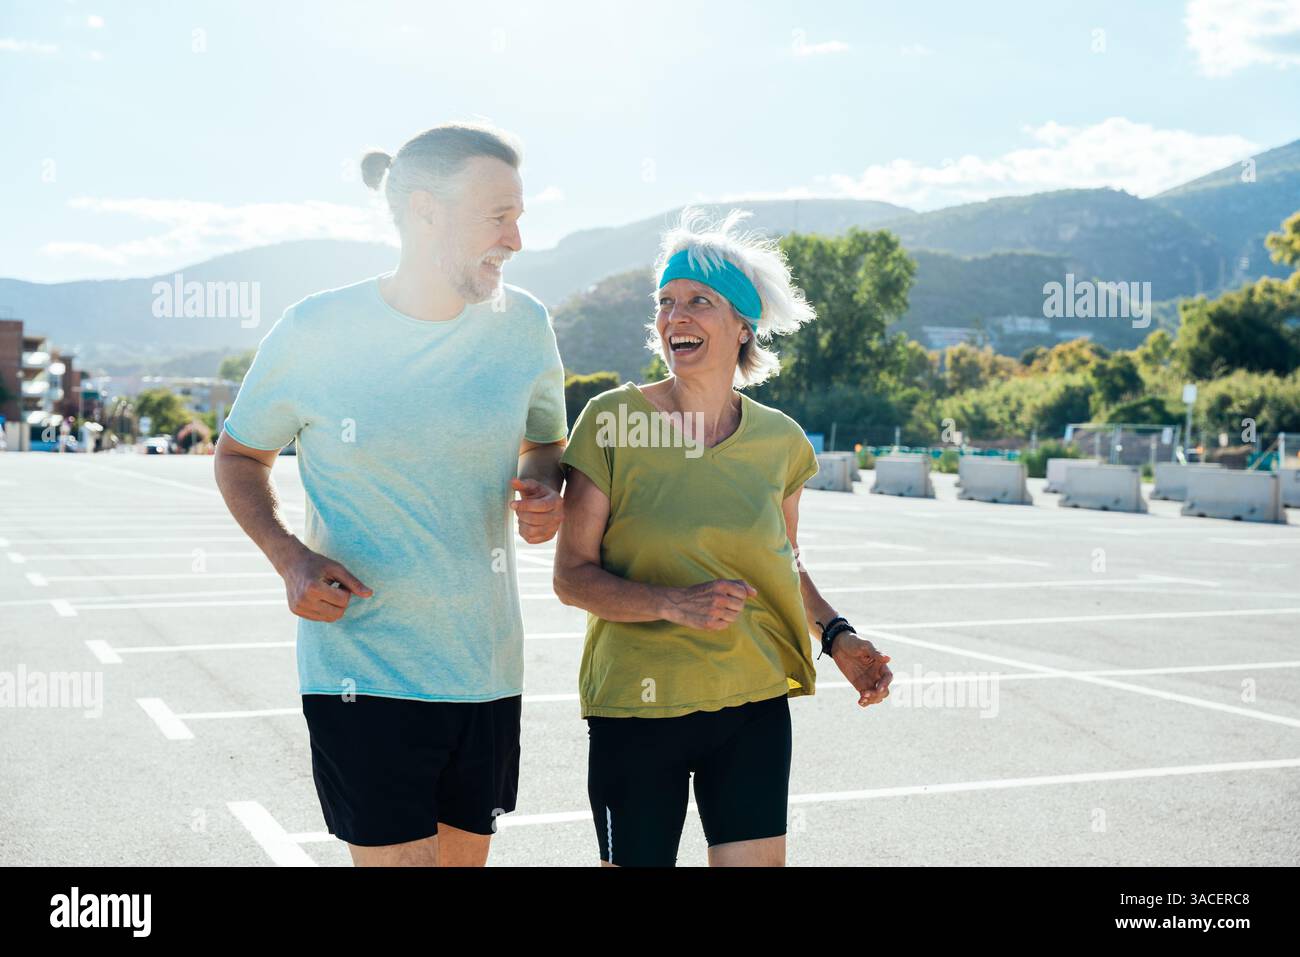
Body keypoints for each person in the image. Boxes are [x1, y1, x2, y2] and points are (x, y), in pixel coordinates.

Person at [214, 122, 568, 867]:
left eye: (519, 216)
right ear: (424, 211)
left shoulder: (525, 326)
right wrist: (290, 558)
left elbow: (546, 439)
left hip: (487, 667)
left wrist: (544, 487)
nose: (516, 239)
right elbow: (241, 454)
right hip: (361, 671)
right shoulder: (316, 330)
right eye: (497, 216)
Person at [553, 209, 893, 867]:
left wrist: (838, 637)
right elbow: (572, 575)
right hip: (636, 704)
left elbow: (784, 562)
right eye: (666, 302)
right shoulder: (612, 421)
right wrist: (672, 603)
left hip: (751, 703)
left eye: (698, 302)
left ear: (743, 326)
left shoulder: (781, 442)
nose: (675, 316)